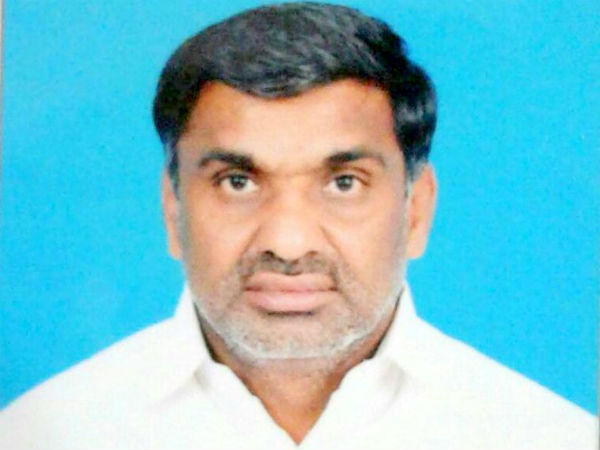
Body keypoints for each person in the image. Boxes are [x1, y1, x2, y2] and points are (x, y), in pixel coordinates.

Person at [0, 3, 596, 449]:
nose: (288, 244)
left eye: (344, 183)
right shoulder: (41, 434)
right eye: (238, 181)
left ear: (416, 210)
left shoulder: (546, 437)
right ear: (173, 209)